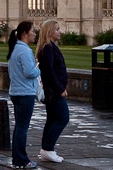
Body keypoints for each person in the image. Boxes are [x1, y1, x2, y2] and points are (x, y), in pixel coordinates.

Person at [7, 21, 40, 169]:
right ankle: (22, 160)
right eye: (33, 31)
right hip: (25, 93)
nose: (35, 34)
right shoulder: (25, 50)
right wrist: (40, 68)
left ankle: (17, 159)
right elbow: (30, 73)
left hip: (16, 92)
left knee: (19, 127)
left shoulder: (16, 49)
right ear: (25, 34)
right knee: (22, 128)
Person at [36, 19, 68, 163]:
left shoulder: (49, 46)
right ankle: (48, 148)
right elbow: (49, 71)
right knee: (63, 117)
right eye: (57, 29)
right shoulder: (48, 47)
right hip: (54, 91)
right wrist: (60, 89)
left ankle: (46, 149)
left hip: (53, 90)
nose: (59, 32)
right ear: (49, 32)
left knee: (52, 119)